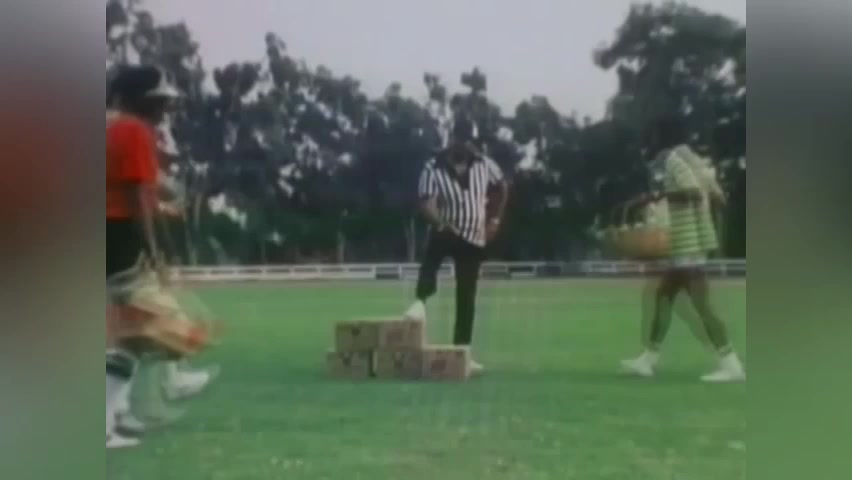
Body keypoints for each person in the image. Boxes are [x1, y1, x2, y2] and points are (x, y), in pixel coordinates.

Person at [106, 65, 215, 448]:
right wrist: (155, 250)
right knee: (143, 329)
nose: (164, 109)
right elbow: (138, 197)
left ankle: (119, 412)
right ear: (138, 100)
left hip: (109, 234)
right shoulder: (135, 130)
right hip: (122, 236)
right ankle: (119, 413)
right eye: (158, 102)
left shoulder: (110, 127)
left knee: (131, 330)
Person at [620, 116, 745, 383]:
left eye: (652, 136)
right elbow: (716, 198)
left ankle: (731, 365)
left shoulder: (674, 161)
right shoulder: (691, 160)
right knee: (663, 297)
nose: (649, 141)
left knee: (702, 306)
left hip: (688, 246)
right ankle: (648, 360)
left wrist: (656, 197)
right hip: (689, 243)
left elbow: (691, 192)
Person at [403, 116, 509, 374]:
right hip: (447, 228)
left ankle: (462, 352)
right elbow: (426, 202)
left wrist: (495, 219)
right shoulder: (433, 167)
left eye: (469, 141)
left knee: (467, 296)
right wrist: (439, 222)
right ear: (452, 140)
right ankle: (420, 302)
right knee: (432, 258)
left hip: (474, 236)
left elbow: (501, 187)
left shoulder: (485, 164)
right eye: (461, 140)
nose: (466, 146)